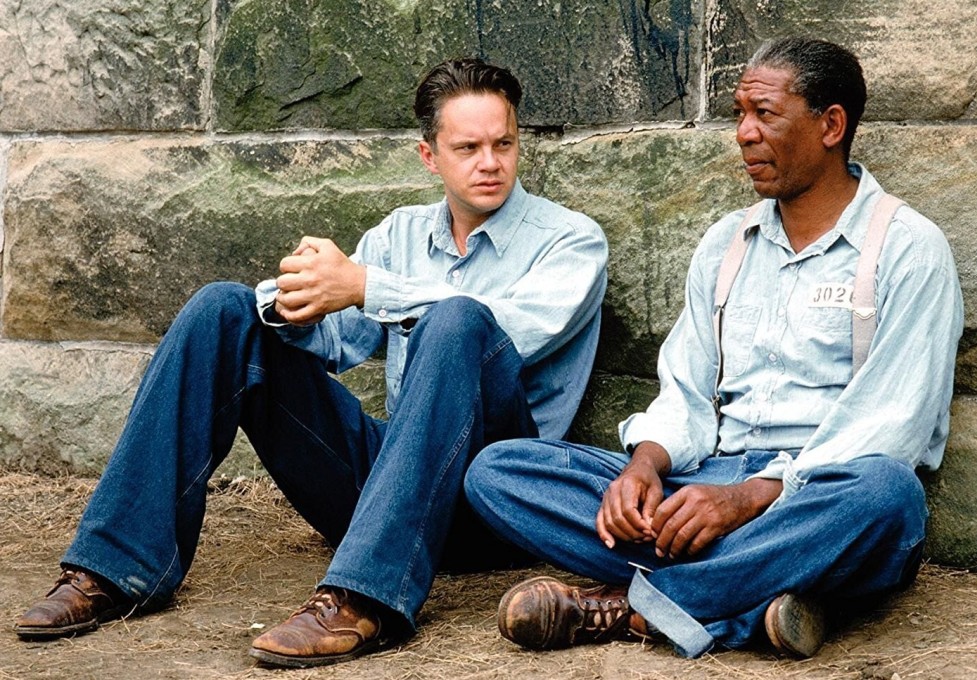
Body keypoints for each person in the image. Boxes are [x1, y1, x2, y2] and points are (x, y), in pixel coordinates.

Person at [15, 58, 608, 668]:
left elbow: (517, 328)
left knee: (459, 320)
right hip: (385, 490)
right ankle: (114, 569)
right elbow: (335, 341)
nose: (490, 162)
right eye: (469, 147)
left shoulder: (570, 240)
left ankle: (361, 598)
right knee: (225, 308)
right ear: (430, 156)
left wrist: (364, 286)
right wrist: (295, 303)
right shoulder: (399, 236)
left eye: (503, 144)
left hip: (495, 501)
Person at [465, 37, 963, 659]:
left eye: (765, 114)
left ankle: (636, 607)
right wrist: (644, 467)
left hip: (818, 494)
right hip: (706, 484)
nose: (744, 134)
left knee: (888, 497)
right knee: (499, 470)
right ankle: (766, 597)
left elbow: (893, 427)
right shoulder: (727, 244)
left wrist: (751, 498)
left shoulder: (909, 249)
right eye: (738, 115)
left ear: (831, 124)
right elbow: (687, 391)